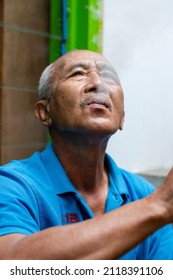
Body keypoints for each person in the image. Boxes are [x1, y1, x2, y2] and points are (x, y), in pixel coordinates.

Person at [0, 50, 173, 260]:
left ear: (122, 118)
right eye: (78, 74)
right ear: (45, 112)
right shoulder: (12, 185)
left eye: (108, 76)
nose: (97, 83)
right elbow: (11, 263)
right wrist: (160, 205)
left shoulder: (142, 193)